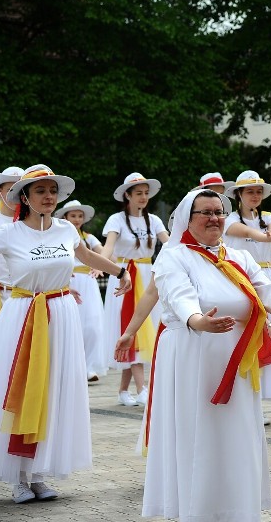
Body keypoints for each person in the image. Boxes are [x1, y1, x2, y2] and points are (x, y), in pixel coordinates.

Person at [138, 189, 271, 521]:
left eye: (219, 211)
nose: (214, 218)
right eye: (205, 212)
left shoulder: (238, 257)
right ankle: (197, 509)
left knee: (235, 436)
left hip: (237, 360)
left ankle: (235, 508)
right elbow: (180, 297)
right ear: (188, 218)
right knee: (199, 433)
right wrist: (198, 321)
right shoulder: (174, 256)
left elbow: (268, 292)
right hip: (193, 354)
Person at [0, 165, 131, 503]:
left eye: (52, 190)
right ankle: (18, 478)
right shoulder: (8, 234)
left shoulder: (66, 230)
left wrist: (122, 271)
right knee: (24, 391)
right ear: (24, 197)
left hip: (61, 314)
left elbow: (86, 256)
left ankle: (39, 474)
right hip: (23, 315)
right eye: (40, 191)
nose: (49, 196)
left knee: (54, 390)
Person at [224, 170, 271, 416]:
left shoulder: (267, 217)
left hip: (264, 278)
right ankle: (242, 396)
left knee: (268, 338)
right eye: (250, 192)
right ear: (239, 195)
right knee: (247, 335)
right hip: (240, 280)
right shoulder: (230, 219)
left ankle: (258, 401)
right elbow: (249, 235)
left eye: (258, 192)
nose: (255, 196)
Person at [100, 173, 168, 406]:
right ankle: (142, 389)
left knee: (144, 331)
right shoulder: (116, 219)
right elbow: (108, 247)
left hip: (148, 278)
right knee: (132, 329)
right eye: (138, 193)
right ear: (127, 195)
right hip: (125, 279)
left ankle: (122, 391)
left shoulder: (155, 221)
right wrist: (100, 265)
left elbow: (170, 245)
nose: (143, 197)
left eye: (146, 193)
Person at [55, 199, 107, 382]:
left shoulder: (89, 238)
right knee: (71, 325)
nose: (77, 219)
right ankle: (71, 367)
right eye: (73, 216)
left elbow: (105, 253)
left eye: (79, 216)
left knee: (92, 326)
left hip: (89, 284)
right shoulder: (60, 237)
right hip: (70, 283)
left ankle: (89, 367)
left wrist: (99, 266)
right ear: (65, 217)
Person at [0, 167, 23, 310]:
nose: (15, 195)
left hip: (29, 298)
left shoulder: (35, 221)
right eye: (10, 190)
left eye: (20, 190)